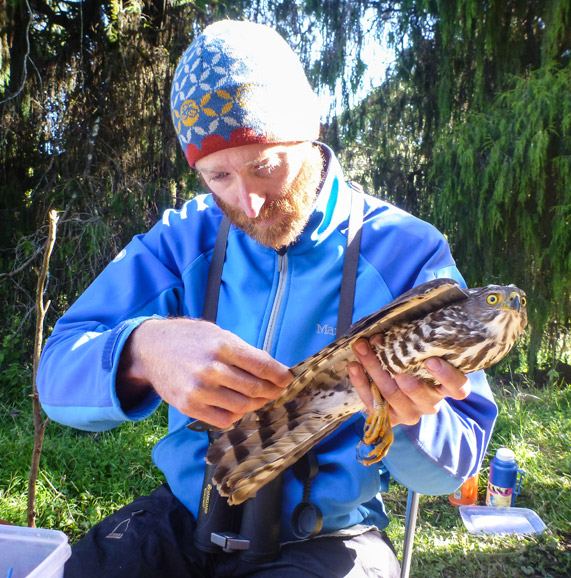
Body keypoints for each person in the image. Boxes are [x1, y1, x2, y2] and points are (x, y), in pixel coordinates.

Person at [38, 20, 498, 578]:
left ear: (309, 128)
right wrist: (142, 350)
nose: (247, 202)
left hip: (329, 536)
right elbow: (56, 375)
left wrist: (411, 420)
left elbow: (450, 470)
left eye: (264, 165)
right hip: (190, 517)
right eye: (217, 176)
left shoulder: (407, 252)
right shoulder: (183, 239)